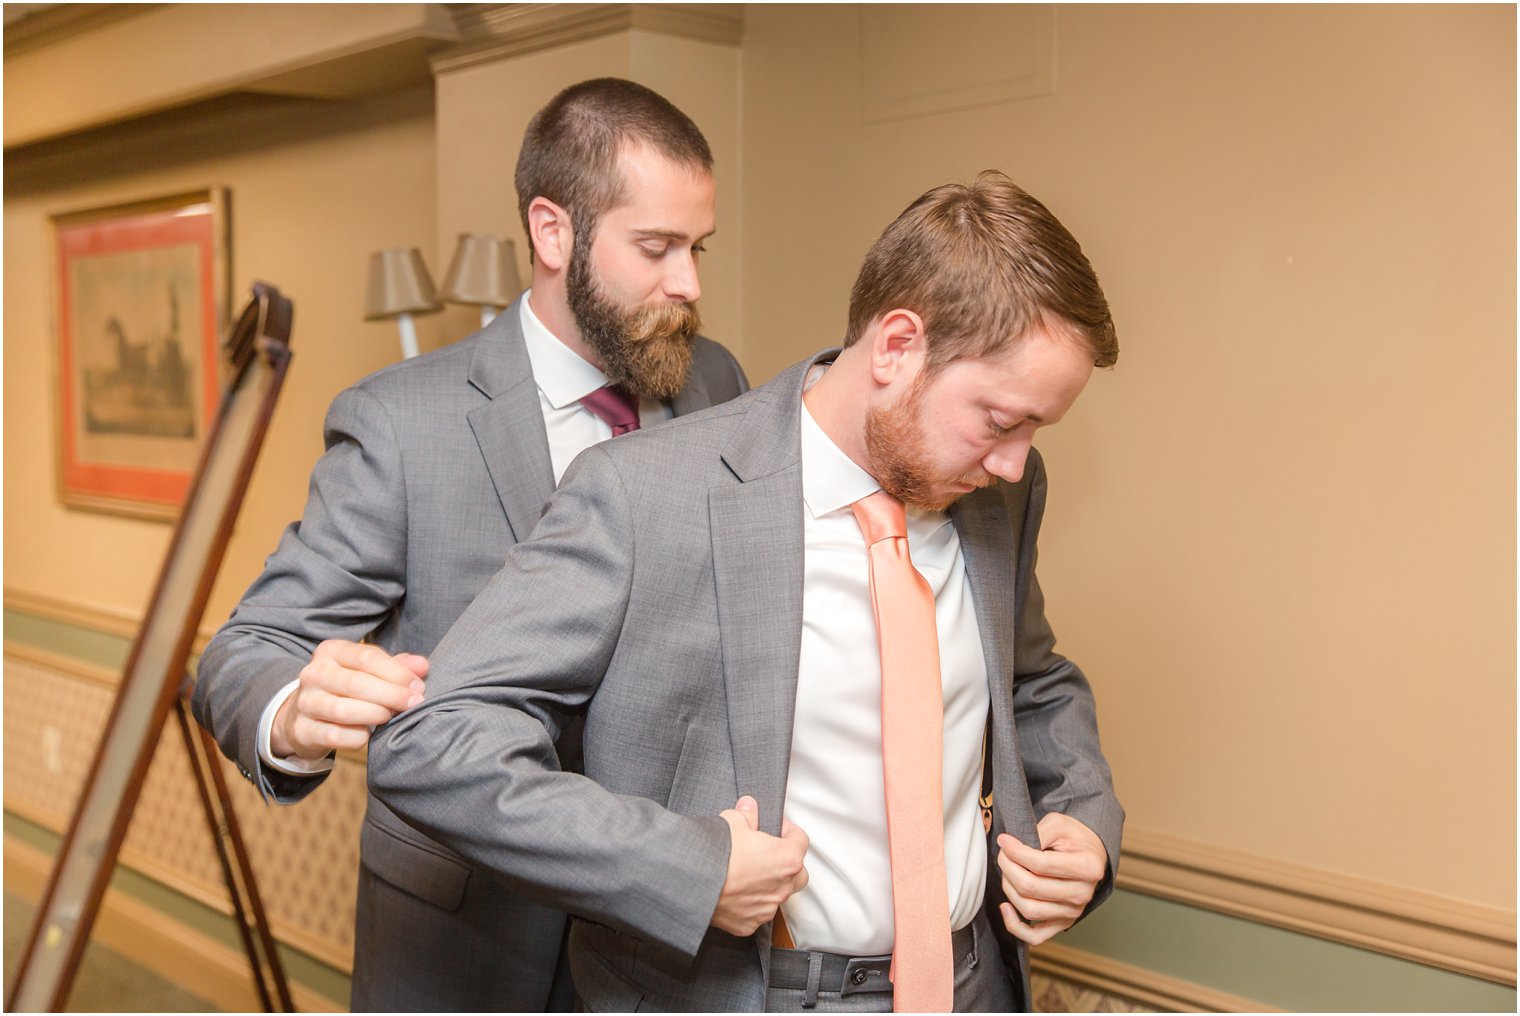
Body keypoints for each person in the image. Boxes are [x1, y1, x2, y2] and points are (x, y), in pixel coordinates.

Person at [369, 170, 1123, 1012]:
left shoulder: (1003, 495)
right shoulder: (645, 496)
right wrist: (681, 865)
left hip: (973, 986)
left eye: (1036, 430)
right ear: (897, 346)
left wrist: (1082, 818)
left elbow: (1031, 681)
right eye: (1000, 419)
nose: (1014, 460)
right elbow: (434, 740)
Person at [191, 78, 748, 1012]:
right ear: (552, 231)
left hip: (669, 940)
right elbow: (246, 649)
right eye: (656, 248)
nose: (689, 283)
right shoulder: (401, 421)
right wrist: (293, 710)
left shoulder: (716, 383)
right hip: (465, 939)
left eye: (698, 249)